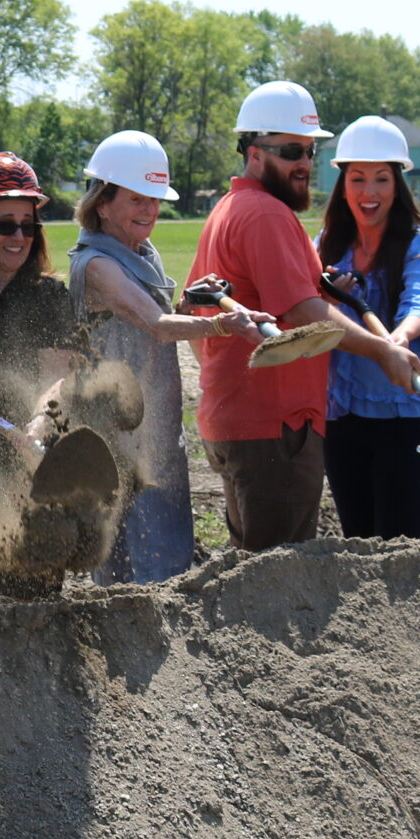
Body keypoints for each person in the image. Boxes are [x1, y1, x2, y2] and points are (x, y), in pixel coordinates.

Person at [190, 82, 420, 551]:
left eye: (310, 151)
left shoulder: (227, 210)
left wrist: (227, 380)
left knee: (250, 567)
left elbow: (199, 315)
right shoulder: (266, 215)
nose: (304, 164)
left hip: (237, 421)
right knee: (277, 578)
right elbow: (301, 310)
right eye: (291, 150)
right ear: (254, 153)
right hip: (276, 429)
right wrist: (381, 349)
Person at [70, 131, 272, 581]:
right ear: (103, 202)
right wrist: (226, 323)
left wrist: (191, 305)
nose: (151, 211)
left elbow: (160, 318)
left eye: (155, 200)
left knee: (164, 547)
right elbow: (157, 328)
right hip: (117, 439)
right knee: (131, 560)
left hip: (155, 427)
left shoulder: (143, 252)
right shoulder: (96, 264)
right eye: (138, 199)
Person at [313, 118, 420, 538]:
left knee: (401, 543)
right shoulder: (325, 246)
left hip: (409, 417)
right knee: (358, 540)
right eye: (357, 178)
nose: (368, 192)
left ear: (398, 183)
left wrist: (399, 338)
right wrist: (330, 298)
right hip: (345, 417)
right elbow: (310, 312)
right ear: (343, 183)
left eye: (381, 179)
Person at [0, 152, 78, 424]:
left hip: (21, 451)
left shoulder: (48, 297)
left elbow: (57, 380)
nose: (19, 237)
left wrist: (41, 421)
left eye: (28, 226)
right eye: (7, 225)